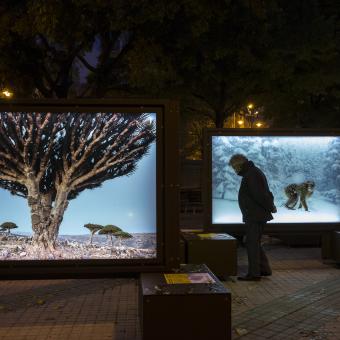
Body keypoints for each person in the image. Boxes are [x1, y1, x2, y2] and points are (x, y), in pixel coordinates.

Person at [229, 154, 277, 281]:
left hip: (255, 216)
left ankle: (254, 274)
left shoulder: (252, 174)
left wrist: (271, 207)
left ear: (239, 164)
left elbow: (260, 195)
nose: (234, 170)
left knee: (252, 244)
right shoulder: (252, 172)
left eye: (234, 167)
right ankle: (264, 269)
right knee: (253, 243)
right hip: (255, 215)